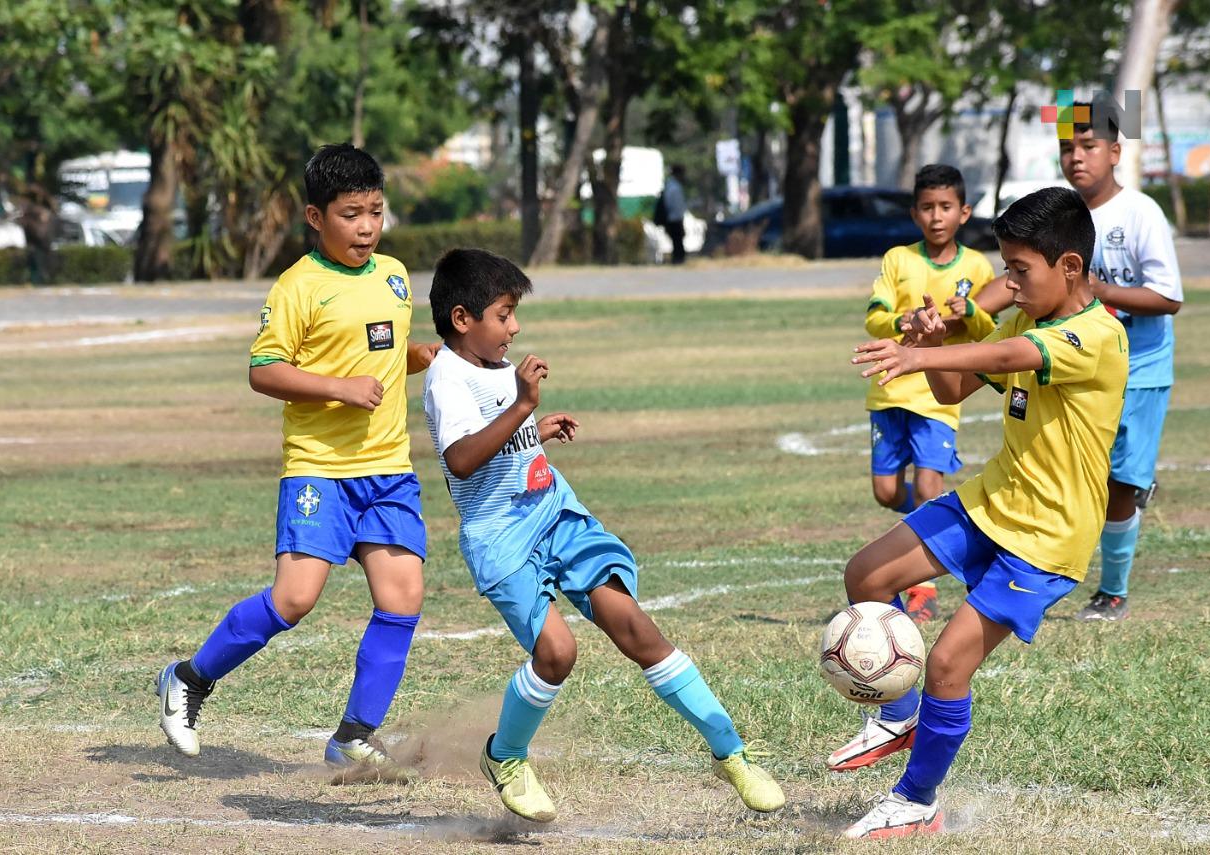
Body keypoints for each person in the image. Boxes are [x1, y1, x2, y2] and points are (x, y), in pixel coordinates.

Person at [422, 248, 784, 823]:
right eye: (504, 314)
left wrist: (534, 426)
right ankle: (507, 757)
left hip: (554, 512)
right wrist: (522, 406)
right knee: (557, 653)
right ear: (463, 319)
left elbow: (497, 441)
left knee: (636, 627)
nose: (515, 327)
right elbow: (463, 459)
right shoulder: (446, 376)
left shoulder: (492, 367)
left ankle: (732, 753)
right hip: (502, 540)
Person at [836, 187, 1127, 839]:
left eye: (1020, 271)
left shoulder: (1095, 335)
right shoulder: (1029, 314)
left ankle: (916, 799)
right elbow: (956, 387)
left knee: (947, 663)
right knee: (867, 577)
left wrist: (920, 352)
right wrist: (940, 337)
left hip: (1047, 540)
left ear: (1070, 268)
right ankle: (901, 716)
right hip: (990, 501)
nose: (1009, 284)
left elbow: (1004, 358)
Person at [155, 143, 438, 781]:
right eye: (350, 214)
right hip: (319, 468)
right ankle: (187, 679)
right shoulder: (299, 287)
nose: (366, 227)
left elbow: (382, 353)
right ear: (315, 217)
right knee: (294, 600)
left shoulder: (394, 275)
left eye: (375, 212)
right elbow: (264, 371)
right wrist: (340, 386)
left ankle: (353, 738)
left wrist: (424, 358)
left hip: (388, 468)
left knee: (403, 597)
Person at [975, 104, 1184, 622]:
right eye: (1067, 147)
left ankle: (1112, 590)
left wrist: (1096, 290)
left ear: (1115, 152)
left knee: (1121, 482)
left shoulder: (1139, 213)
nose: (1076, 157)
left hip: (1138, 366)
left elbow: (1169, 297)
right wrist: (962, 312)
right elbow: (1016, 279)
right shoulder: (1056, 215)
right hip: (1061, 366)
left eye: (1088, 146)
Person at [860, 164, 1000, 635]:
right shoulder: (899, 259)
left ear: (964, 212)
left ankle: (923, 585)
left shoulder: (977, 267)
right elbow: (875, 315)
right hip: (891, 388)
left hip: (939, 393)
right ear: (914, 212)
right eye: (926, 207)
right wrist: (903, 323)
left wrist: (974, 311)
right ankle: (938, 524)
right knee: (885, 492)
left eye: (945, 207)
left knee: (926, 486)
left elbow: (990, 334)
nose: (936, 216)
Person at [659, 164, 689, 264]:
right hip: (674, 218)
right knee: (678, 242)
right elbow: (676, 205)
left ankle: (677, 260)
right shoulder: (675, 187)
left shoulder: (669, 185)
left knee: (677, 242)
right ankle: (678, 260)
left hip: (672, 218)